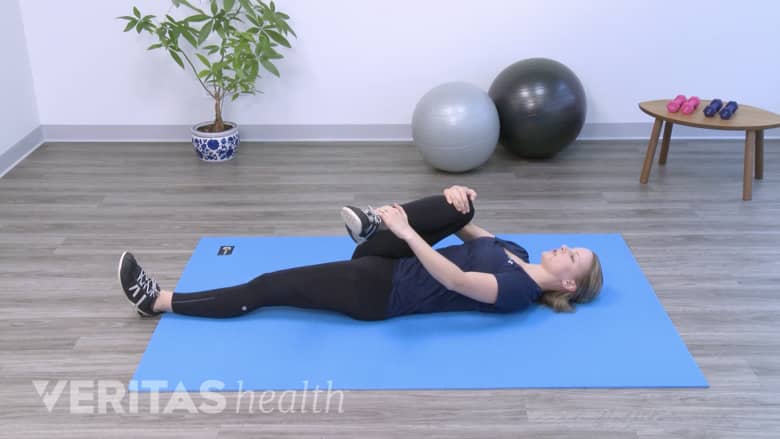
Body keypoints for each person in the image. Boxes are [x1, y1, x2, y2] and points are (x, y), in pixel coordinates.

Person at [118, 185, 603, 321]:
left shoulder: (518, 289)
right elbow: (463, 225)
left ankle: (157, 300)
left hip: (381, 291)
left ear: (567, 285)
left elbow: (456, 282)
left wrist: (409, 231)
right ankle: (373, 227)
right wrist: (455, 198)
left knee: (268, 286)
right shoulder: (514, 249)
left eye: (572, 257)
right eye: (571, 247)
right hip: (388, 259)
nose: (564, 247)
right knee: (463, 202)